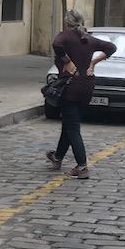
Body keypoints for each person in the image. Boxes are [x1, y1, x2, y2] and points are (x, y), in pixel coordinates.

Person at [47, 9, 116, 179]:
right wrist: (93, 62)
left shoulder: (65, 36)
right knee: (70, 122)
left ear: (66, 22)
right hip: (87, 86)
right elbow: (111, 47)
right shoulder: (88, 39)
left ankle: (82, 165)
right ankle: (58, 157)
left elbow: (56, 44)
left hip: (71, 86)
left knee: (73, 127)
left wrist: (67, 60)